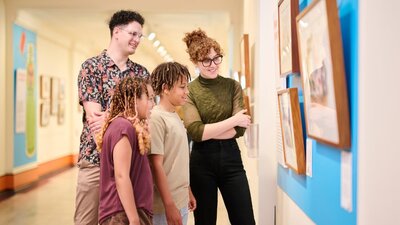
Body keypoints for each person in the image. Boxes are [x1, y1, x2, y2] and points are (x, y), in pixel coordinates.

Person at [75, 10, 149, 225]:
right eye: (133, 34)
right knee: (86, 221)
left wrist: (110, 115)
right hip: (95, 160)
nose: (137, 40)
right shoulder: (91, 68)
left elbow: (144, 119)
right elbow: (95, 121)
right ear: (116, 32)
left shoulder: (141, 74)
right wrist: (129, 115)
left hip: (131, 162)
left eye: (140, 36)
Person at [182, 29, 256, 225]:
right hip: (201, 162)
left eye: (216, 58)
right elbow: (196, 132)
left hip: (232, 159)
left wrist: (210, 130)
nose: (213, 65)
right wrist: (233, 121)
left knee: (245, 220)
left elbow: (240, 130)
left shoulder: (232, 86)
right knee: (205, 221)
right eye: (206, 60)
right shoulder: (190, 91)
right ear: (196, 62)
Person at [96, 76, 154, 225]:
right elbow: (121, 176)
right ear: (134, 100)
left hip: (129, 211)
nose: (152, 104)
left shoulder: (127, 125)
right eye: (149, 99)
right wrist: (134, 219)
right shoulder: (123, 127)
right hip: (122, 214)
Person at [148, 62, 197, 225]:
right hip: (164, 206)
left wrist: (188, 191)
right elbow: (156, 165)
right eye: (182, 87)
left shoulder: (174, 115)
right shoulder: (156, 118)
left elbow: (178, 158)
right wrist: (169, 205)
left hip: (180, 199)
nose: (186, 92)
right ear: (166, 88)